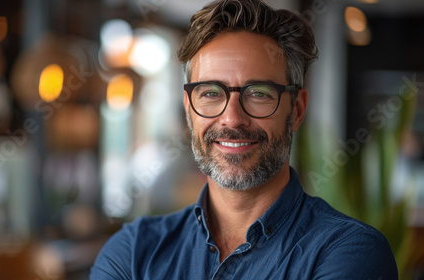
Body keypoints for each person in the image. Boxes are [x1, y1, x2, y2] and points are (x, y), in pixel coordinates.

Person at [90, 0, 398, 279]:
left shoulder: (350, 253)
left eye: (259, 94)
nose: (233, 118)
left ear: (297, 109)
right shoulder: (132, 253)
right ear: (189, 110)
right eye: (211, 93)